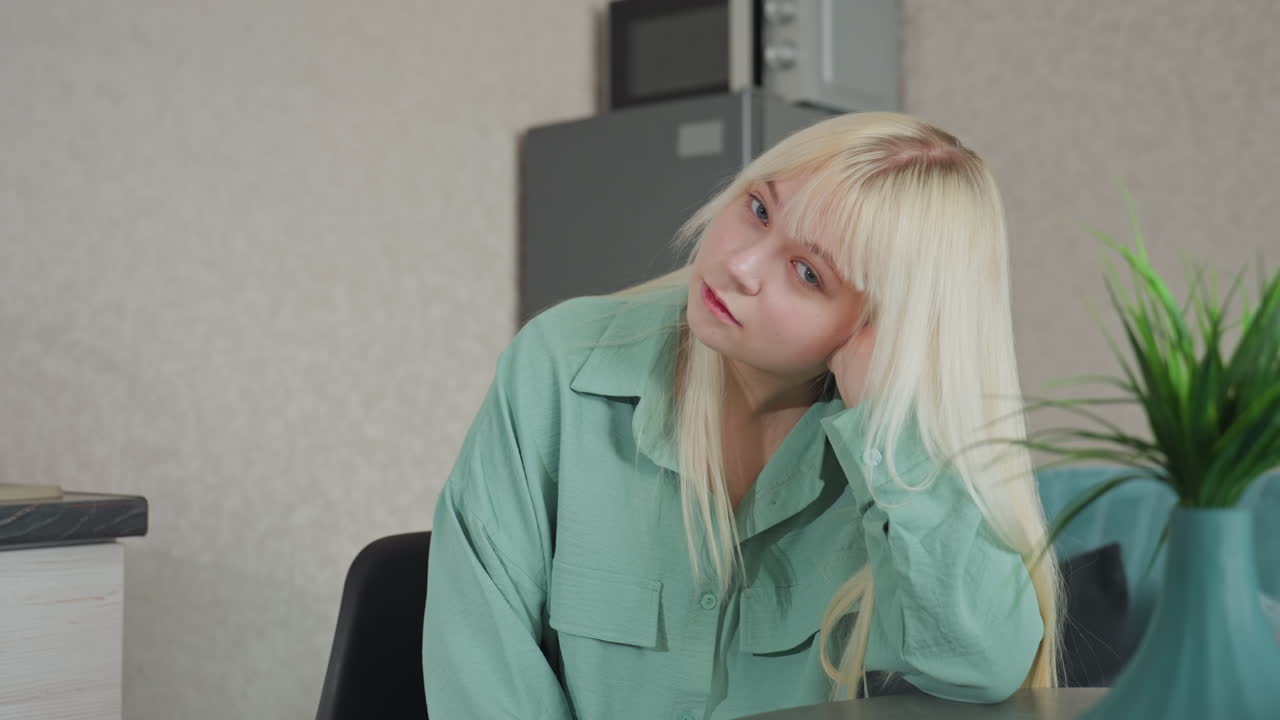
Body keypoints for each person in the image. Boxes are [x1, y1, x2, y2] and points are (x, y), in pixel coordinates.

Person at [421, 111, 1061, 720]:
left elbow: (983, 667)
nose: (740, 265)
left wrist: (895, 437)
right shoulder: (560, 366)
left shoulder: (891, 458)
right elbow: (482, 672)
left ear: (877, 327)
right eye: (758, 209)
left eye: (808, 273)